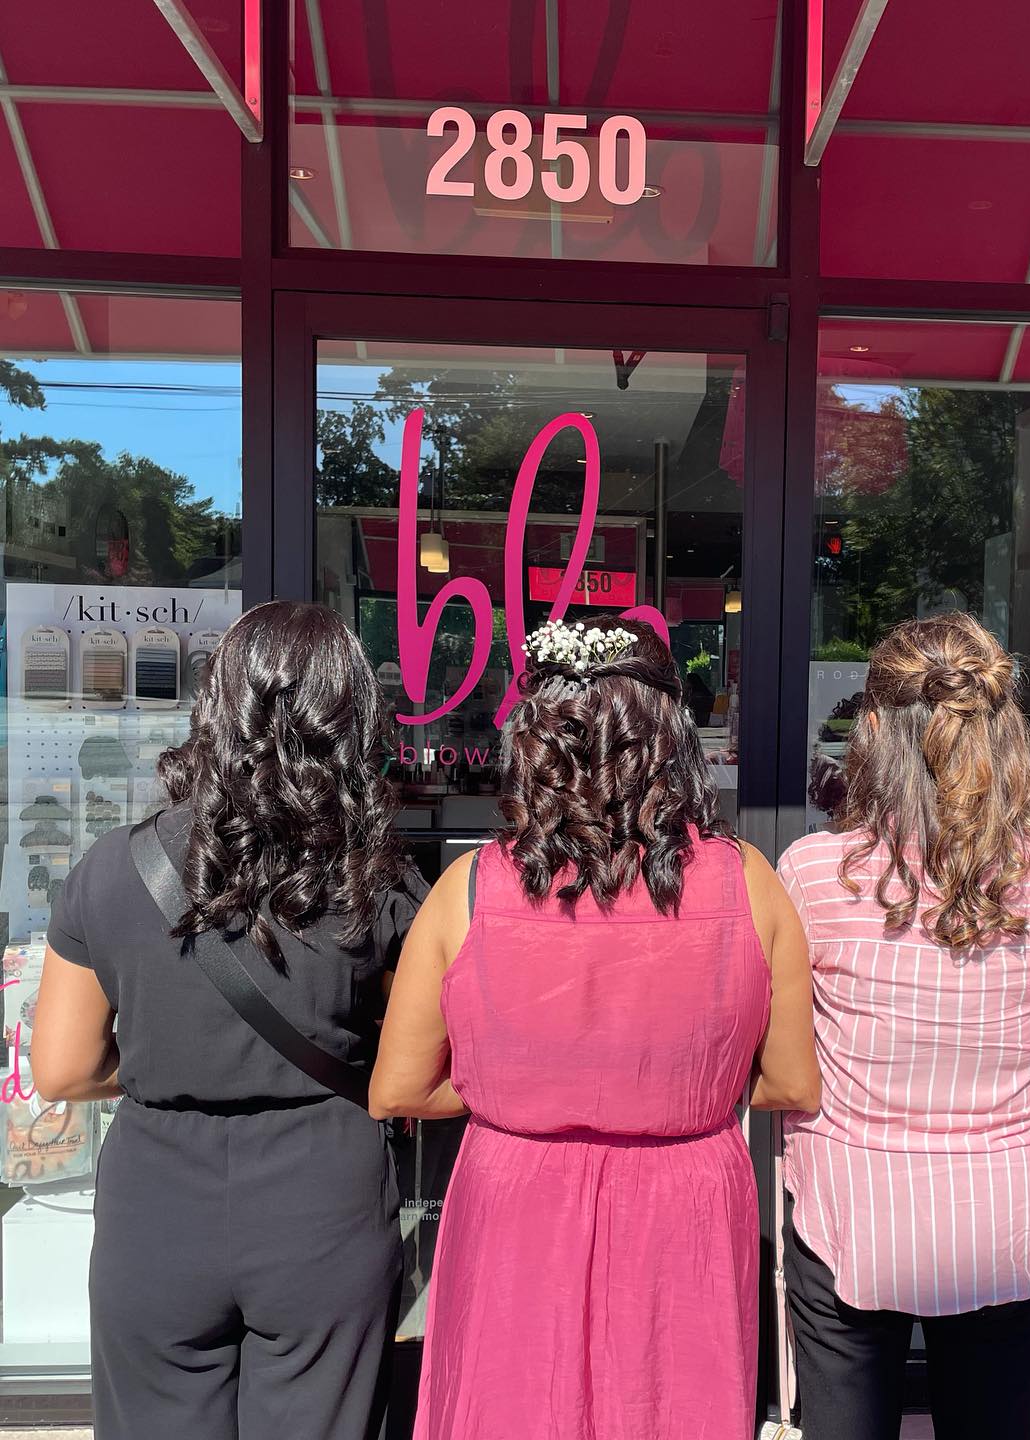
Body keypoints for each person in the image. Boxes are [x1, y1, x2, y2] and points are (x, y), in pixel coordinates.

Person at [370, 615, 820, 1440]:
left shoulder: (469, 889)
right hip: (684, 1204)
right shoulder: (748, 883)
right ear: (672, 741)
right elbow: (792, 1082)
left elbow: (398, 1088)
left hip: (514, 1197)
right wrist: (681, 1086)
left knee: (511, 1407)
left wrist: (520, 1089)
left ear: (537, 742)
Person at [31, 602, 425, 1440]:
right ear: (348, 718)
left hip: (157, 1204)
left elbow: (61, 1069)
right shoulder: (380, 884)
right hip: (325, 1200)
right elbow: (419, 1059)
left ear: (215, 707)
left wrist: (158, 1053)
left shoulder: (111, 870)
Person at [779, 613, 1030, 1440]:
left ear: (872, 732)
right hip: (1000, 1217)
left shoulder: (810, 875)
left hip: (850, 1215)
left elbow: (788, 1038)